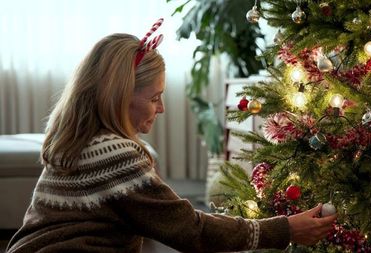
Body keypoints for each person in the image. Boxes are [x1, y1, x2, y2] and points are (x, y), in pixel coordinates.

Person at [6, 19, 337, 253]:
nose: (161, 108)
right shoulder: (113, 154)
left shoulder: (76, 142)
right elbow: (190, 230)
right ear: (118, 96)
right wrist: (285, 229)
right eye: (154, 97)